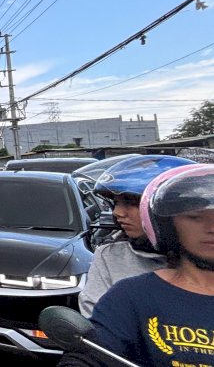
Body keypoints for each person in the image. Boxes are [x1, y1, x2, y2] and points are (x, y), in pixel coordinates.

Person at [59, 165, 214, 366]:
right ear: (168, 223)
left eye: (131, 203)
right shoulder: (132, 295)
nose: (211, 228)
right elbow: (91, 355)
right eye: (195, 217)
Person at [78, 155, 196, 316]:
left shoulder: (205, 256)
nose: (117, 212)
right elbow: (98, 320)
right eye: (116, 203)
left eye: (130, 203)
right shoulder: (111, 256)